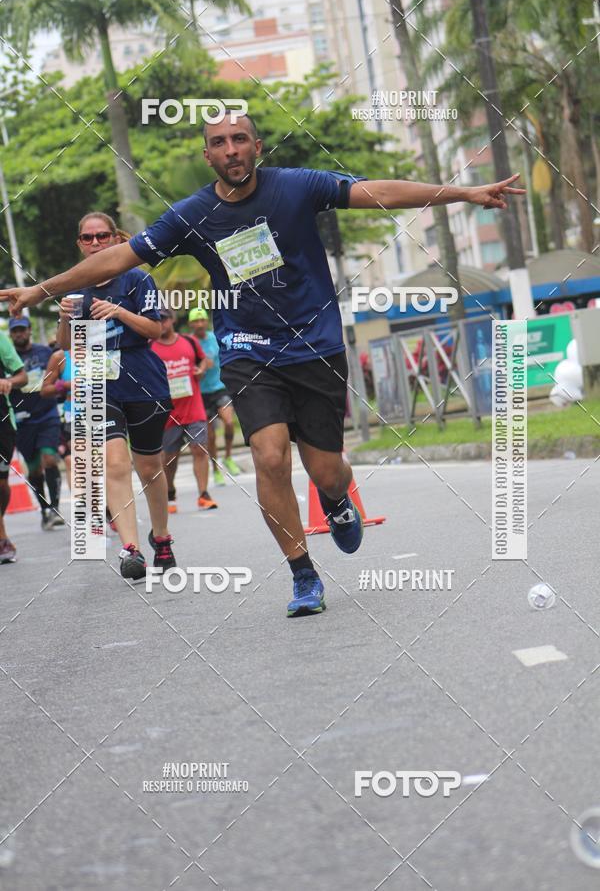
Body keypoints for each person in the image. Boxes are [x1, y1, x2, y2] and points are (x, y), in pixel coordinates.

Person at [0, 112, 525, 615]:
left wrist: (465, 191)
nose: (232, 149)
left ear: (257, 146)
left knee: (327, 469)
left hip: (316, 346)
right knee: (269, 456)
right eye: (220, 142)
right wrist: (39, 289)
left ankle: (336, 498)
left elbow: (378, 192)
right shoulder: (190, 215)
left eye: (240, 139)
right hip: (247, 351)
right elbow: (116, 257)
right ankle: (302, 573)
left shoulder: (297, 185)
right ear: (207, 154)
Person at [54, 212, 176, 581]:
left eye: (102, 237)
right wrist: (63, 319)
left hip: (142, 380)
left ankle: (162, 537)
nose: (95, 243)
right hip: (96, 383)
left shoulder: (137, 278)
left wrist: (119, 311)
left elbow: (156, 329)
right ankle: (131, 549)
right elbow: (65, 347)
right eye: (87, 238)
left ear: (115, 240)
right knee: (115, 463)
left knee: (150, 467)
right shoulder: (74, 289)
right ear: (79, 242)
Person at [151, 308, 217, 512]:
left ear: (172, 320)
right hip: (168, 412)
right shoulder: (150, 347)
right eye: (157, 320)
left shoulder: (188, 342)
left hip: (194, 407)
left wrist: (201, 369)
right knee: (169, 458)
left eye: (164, 319)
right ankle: (170, 491)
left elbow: (205, 359)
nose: (161, 324)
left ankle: (204, 494)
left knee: (200, 449)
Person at [9, 316, 64, 530]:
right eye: (15, 331)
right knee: (34, 470)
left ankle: (56, 508)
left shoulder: (44, 353)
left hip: (47, 414)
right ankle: (44, 509)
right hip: (22, 420)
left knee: (49, 459)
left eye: (22, 330)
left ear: (30, 330)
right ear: (11, 334)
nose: (19, 334)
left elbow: (55, 378)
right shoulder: (8, 358)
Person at [187, 306, 240, 487]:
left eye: (202, 320)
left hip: (219, 387)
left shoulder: (215, 338)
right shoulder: (190, 342)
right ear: (191, 324)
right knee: (209, 436)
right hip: (201, 392)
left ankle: (228, 457)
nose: (200, 324)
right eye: (196, 321)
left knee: (229, 422)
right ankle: (216, 470)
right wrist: (199, 369)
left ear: (207, 322)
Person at [0, 329, 27, 562]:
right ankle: (2, 538)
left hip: (2, 422)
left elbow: (22, 376)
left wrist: (7, 382)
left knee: (1, 484)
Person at [41, 347, 72, 488]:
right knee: (73, 461)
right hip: (72, 415)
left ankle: (107, 506)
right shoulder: (59, 357)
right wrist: (65, 385)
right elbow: (45, 389)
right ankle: (86, 507)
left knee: (104, 462)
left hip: (105, 411)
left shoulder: (107, 346)